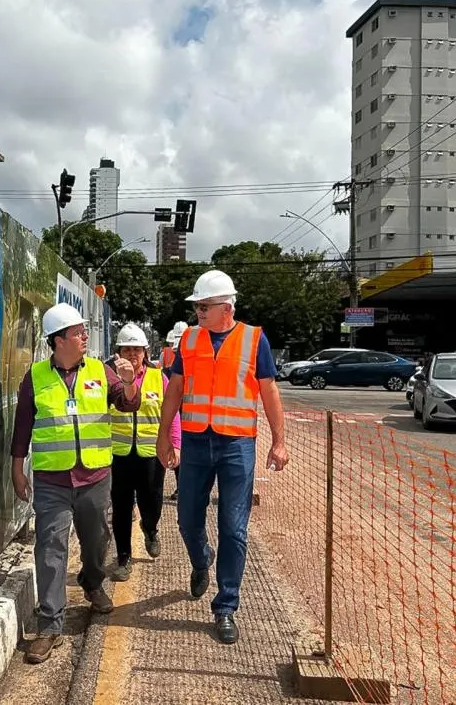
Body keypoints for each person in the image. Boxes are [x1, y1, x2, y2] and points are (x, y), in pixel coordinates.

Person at [157, 270, 288, 645]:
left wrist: (280, 441)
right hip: (196, 444)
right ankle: (201, 560)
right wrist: (164, 435)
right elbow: (176, 390)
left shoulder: (253, 339)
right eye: (196, 305)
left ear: (226, 307)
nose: (198, 310)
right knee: (186, 520)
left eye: (204, 305)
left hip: (236, 446)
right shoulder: (189, 339)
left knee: (234, 528)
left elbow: (269, 391)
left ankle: (226, 606)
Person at [11, 302, 141, 664]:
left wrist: (129, 383)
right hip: (53, 480)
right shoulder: (34, 377)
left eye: (85, 331)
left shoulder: (102, 371)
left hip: (95, 476)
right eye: (78, 332)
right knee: (50, 547)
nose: (85, 337)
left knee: (97, 539)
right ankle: (50, 623)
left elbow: (127, 404)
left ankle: (93, 583)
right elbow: (22, 429)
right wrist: (17, 469)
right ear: (58, 340)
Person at [109, 322, 181, 582]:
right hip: (119, 455)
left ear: (145, 353)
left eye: (136, 350)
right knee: (121, 507)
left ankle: (150, 529)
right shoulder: (110, 378)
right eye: (126, 349)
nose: (132, 355)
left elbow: (170, 415)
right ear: (118, 352)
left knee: (152, 502)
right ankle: (123, 557)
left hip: (152, 454)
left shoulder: (158, 377)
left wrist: (175, 444)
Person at [161, 321, 187, 500]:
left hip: (191, 419)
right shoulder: (166, 372)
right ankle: (182, 487)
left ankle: (185, 488)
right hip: (177, 417)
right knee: (178, 454)